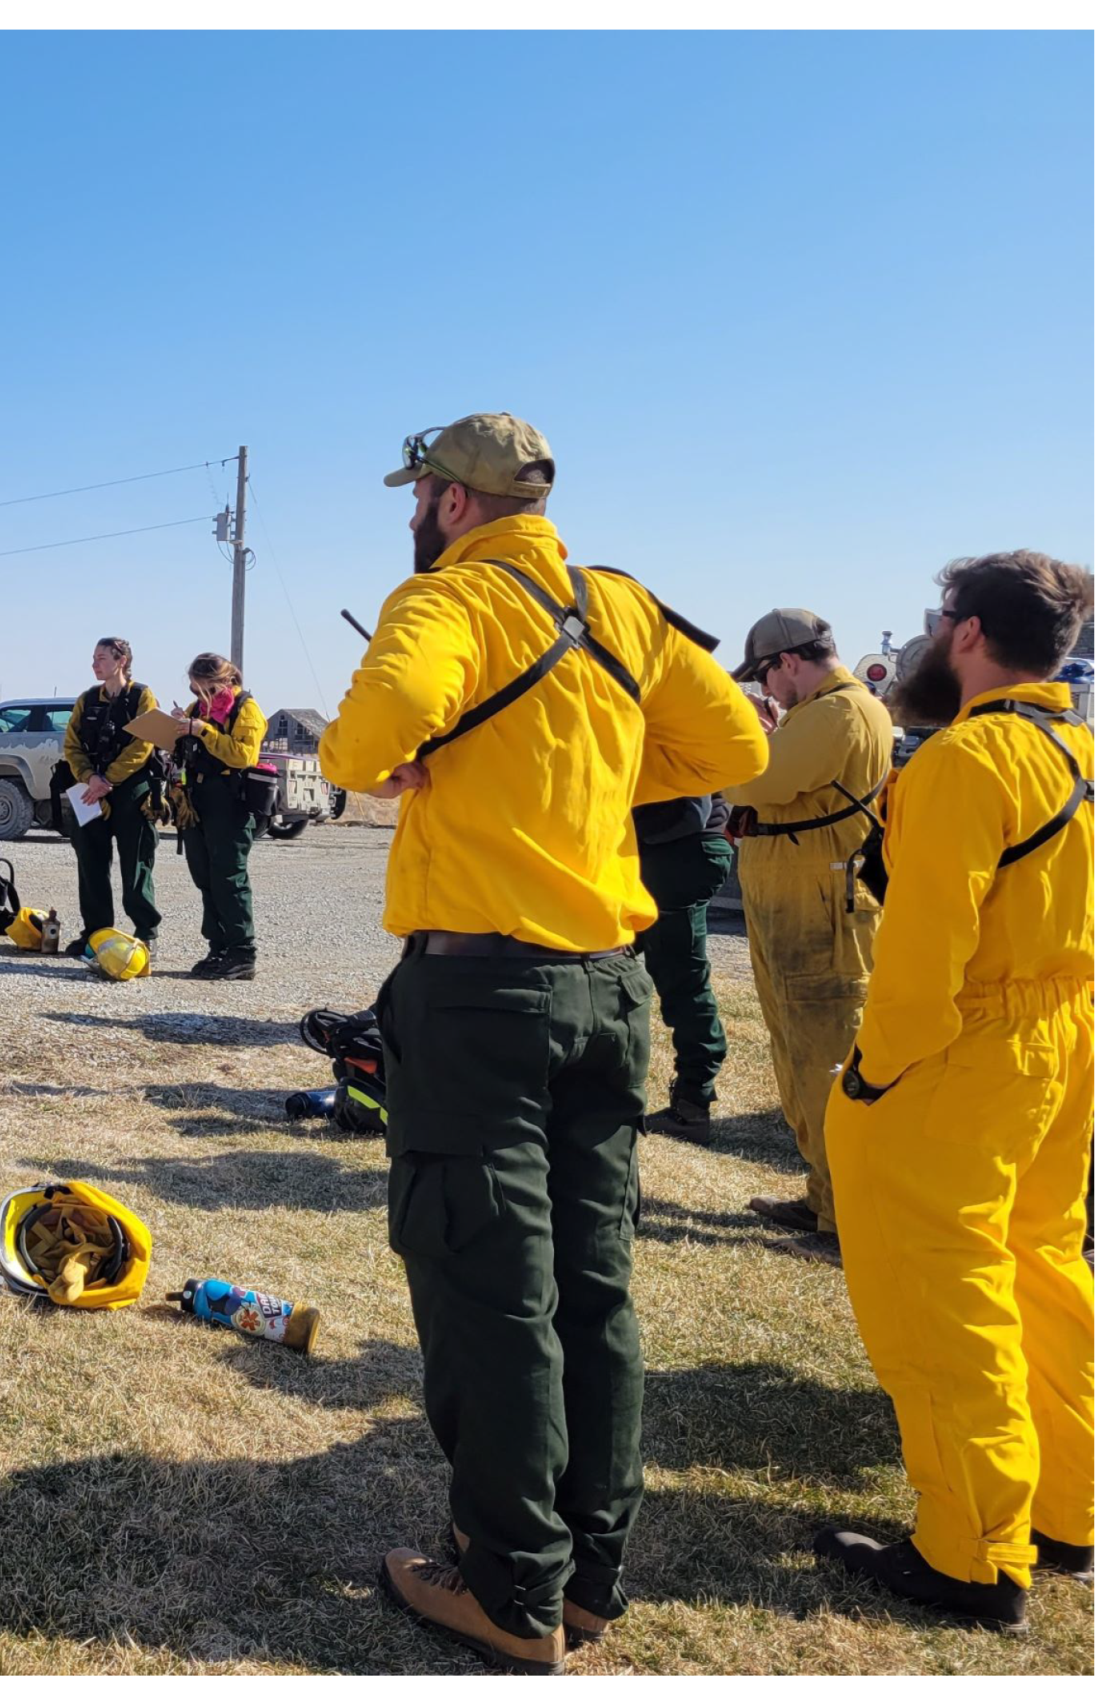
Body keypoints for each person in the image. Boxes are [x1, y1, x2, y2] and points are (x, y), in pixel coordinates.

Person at [318, 413, 765, 1673]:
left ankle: (511, 1587)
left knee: (490, 1287)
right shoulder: (619, 605)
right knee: (593, 1286)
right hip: (606, 989)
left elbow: (358, 745)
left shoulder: (444, 599)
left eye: (417, 496)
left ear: (451, 504)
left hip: (479, 998)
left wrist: (420, 763)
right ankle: (588, 1578)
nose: (412, 515)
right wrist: (577, 771)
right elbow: (738, 745)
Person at [815, 552, 1095, 1629]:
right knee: (1039, 1266)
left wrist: (873, 1077)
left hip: (968, 1052)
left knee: (943, 1291)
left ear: (967, 632)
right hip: (1063, 1040)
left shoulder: (962, 761)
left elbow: (921, 964)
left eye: (940, 620)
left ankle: (971, 1553)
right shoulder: (1075, 749)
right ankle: (1068, 1507)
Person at [722, 608, 893, 1260]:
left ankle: (846, 1223)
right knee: (796, 1055)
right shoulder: (816, 713)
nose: (766, 689)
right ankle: (822, 1196)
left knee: (825, 1060)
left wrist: (742, 745)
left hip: (818, 909)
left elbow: (752, 779)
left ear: (787, 660)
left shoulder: (837, 713)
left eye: (766, 674)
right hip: (795, 903)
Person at [632, 794, 735, 1135]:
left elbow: (691, 811)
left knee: (681, 979)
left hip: (678, 855)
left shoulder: (669, 739)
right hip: (677, 853)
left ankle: (693, 1102)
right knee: (620, 971)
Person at [63, 636, 163, 953]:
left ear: (121, 661)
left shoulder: (142, 696)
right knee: (90, 863)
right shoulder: (87, 699)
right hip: (91, 790)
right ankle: (96, 932)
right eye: (93, 658)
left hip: (131, 789)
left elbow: (143, 745)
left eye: (102, 658)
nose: (95, 664)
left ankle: (146, 933)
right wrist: (91, 778)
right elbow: (72, 745)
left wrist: (109, 779)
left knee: (136, 862)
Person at [173, 653, 268, 980]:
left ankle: (242, 952)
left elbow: (243, 755)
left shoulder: (246, 710)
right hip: (197, 798)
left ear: (226, 682)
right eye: (194, 690)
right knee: (205, 875)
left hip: (230, 801)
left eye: (207, 690)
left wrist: (203, 732)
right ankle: (218, 947)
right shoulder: (196, 711)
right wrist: (177, 728)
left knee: (229, 876)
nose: (200, 698)